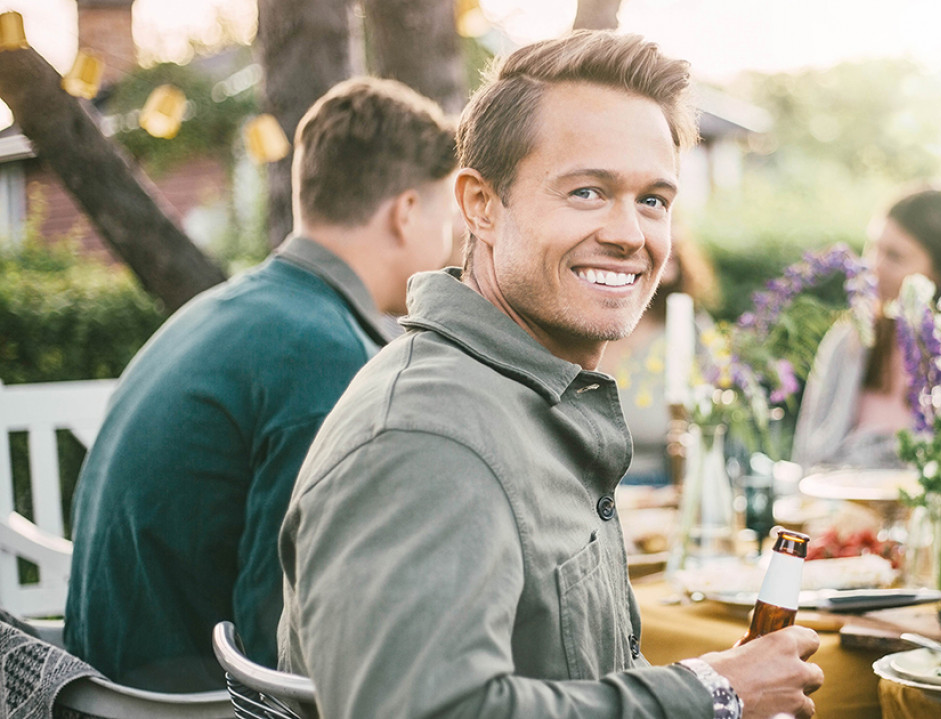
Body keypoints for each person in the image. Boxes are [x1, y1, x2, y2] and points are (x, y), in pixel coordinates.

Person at [277, 31, 824, 719]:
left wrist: (704, 680)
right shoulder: (427, 436)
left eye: (653, 200)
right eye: (588, 191)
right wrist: (707, 694)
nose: (631, 233)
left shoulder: (522, 396)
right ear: (480, 204)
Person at [64, 77, 457, 691]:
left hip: (107, 682)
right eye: (447, 218)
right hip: (181, 705)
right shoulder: (323, 354)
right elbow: (285, 634)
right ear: (406, 213)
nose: (450, 242)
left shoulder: (226, 311)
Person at [792, 187, 941, 471]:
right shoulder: (848, 341)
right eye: (873, 247)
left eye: (895, 256)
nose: (873, 266)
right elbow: (806, 458)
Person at [597, 230, 718, 485]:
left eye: (676, 245)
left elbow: (715, 419)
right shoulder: (592, 325)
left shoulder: (689, 329)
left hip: (660, 485)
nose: (670, 250)